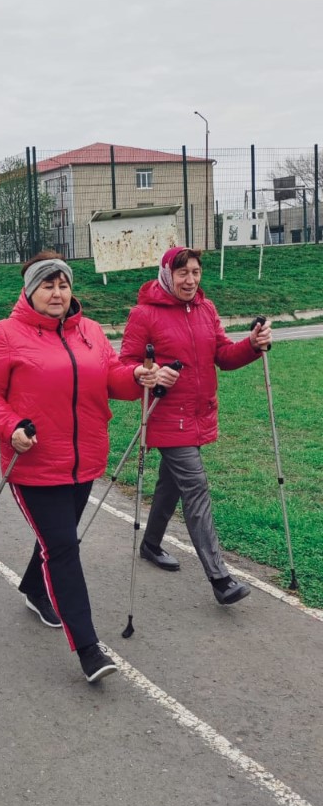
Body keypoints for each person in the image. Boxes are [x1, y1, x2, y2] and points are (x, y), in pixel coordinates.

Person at [0, 251, 158, 683]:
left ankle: (34, 588)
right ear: (29, 290)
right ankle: (89, 648)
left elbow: (111, 377)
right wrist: (10, 427)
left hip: (85, 459)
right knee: (63, 547)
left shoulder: (90, 331)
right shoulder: (4, 334)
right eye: (47, 285)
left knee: (58, 539)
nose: (57, 293)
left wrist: (136, 377)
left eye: (63, 285)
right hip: (34, 462)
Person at [120, 246, 272, 606]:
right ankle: (220, 579)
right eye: (182, 273)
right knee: (196, 487)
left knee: (171, 483)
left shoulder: (206, 309)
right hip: (166, 416)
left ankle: (151, 544)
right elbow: (126, 363)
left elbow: (223, 356)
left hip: (199, 413)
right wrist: (149, 373)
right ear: (167, 274)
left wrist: (251, 344)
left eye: (196, 272)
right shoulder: (144, 314)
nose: (190, 280)